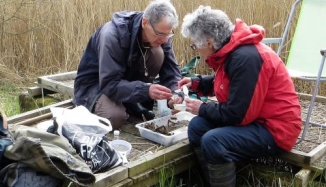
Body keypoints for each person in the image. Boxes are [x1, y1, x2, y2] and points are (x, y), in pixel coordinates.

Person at [175, 5, 302, 187]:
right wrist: (197, 83)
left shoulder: (247, 58)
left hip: (276, 129)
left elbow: (238, 115)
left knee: (213, 140)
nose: (195, 50)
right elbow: (230, 83)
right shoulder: (234, 50)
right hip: (257, 120)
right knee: (197, 127)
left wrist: (202, 108)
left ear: (209, 42)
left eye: (194, 45)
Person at [73, 0, 182, 130]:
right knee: (114, 118)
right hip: (97, 86)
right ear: (145, 22)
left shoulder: (161, 32)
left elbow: (172, 71)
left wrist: (175, 94)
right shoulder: (112, 36)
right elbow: (109, 84)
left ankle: (129, 102)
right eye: (160, 34)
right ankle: (111, 104)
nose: (164, 39)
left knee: (158, 53)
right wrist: (145, 90)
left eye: (168, 34)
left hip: (123, 82)